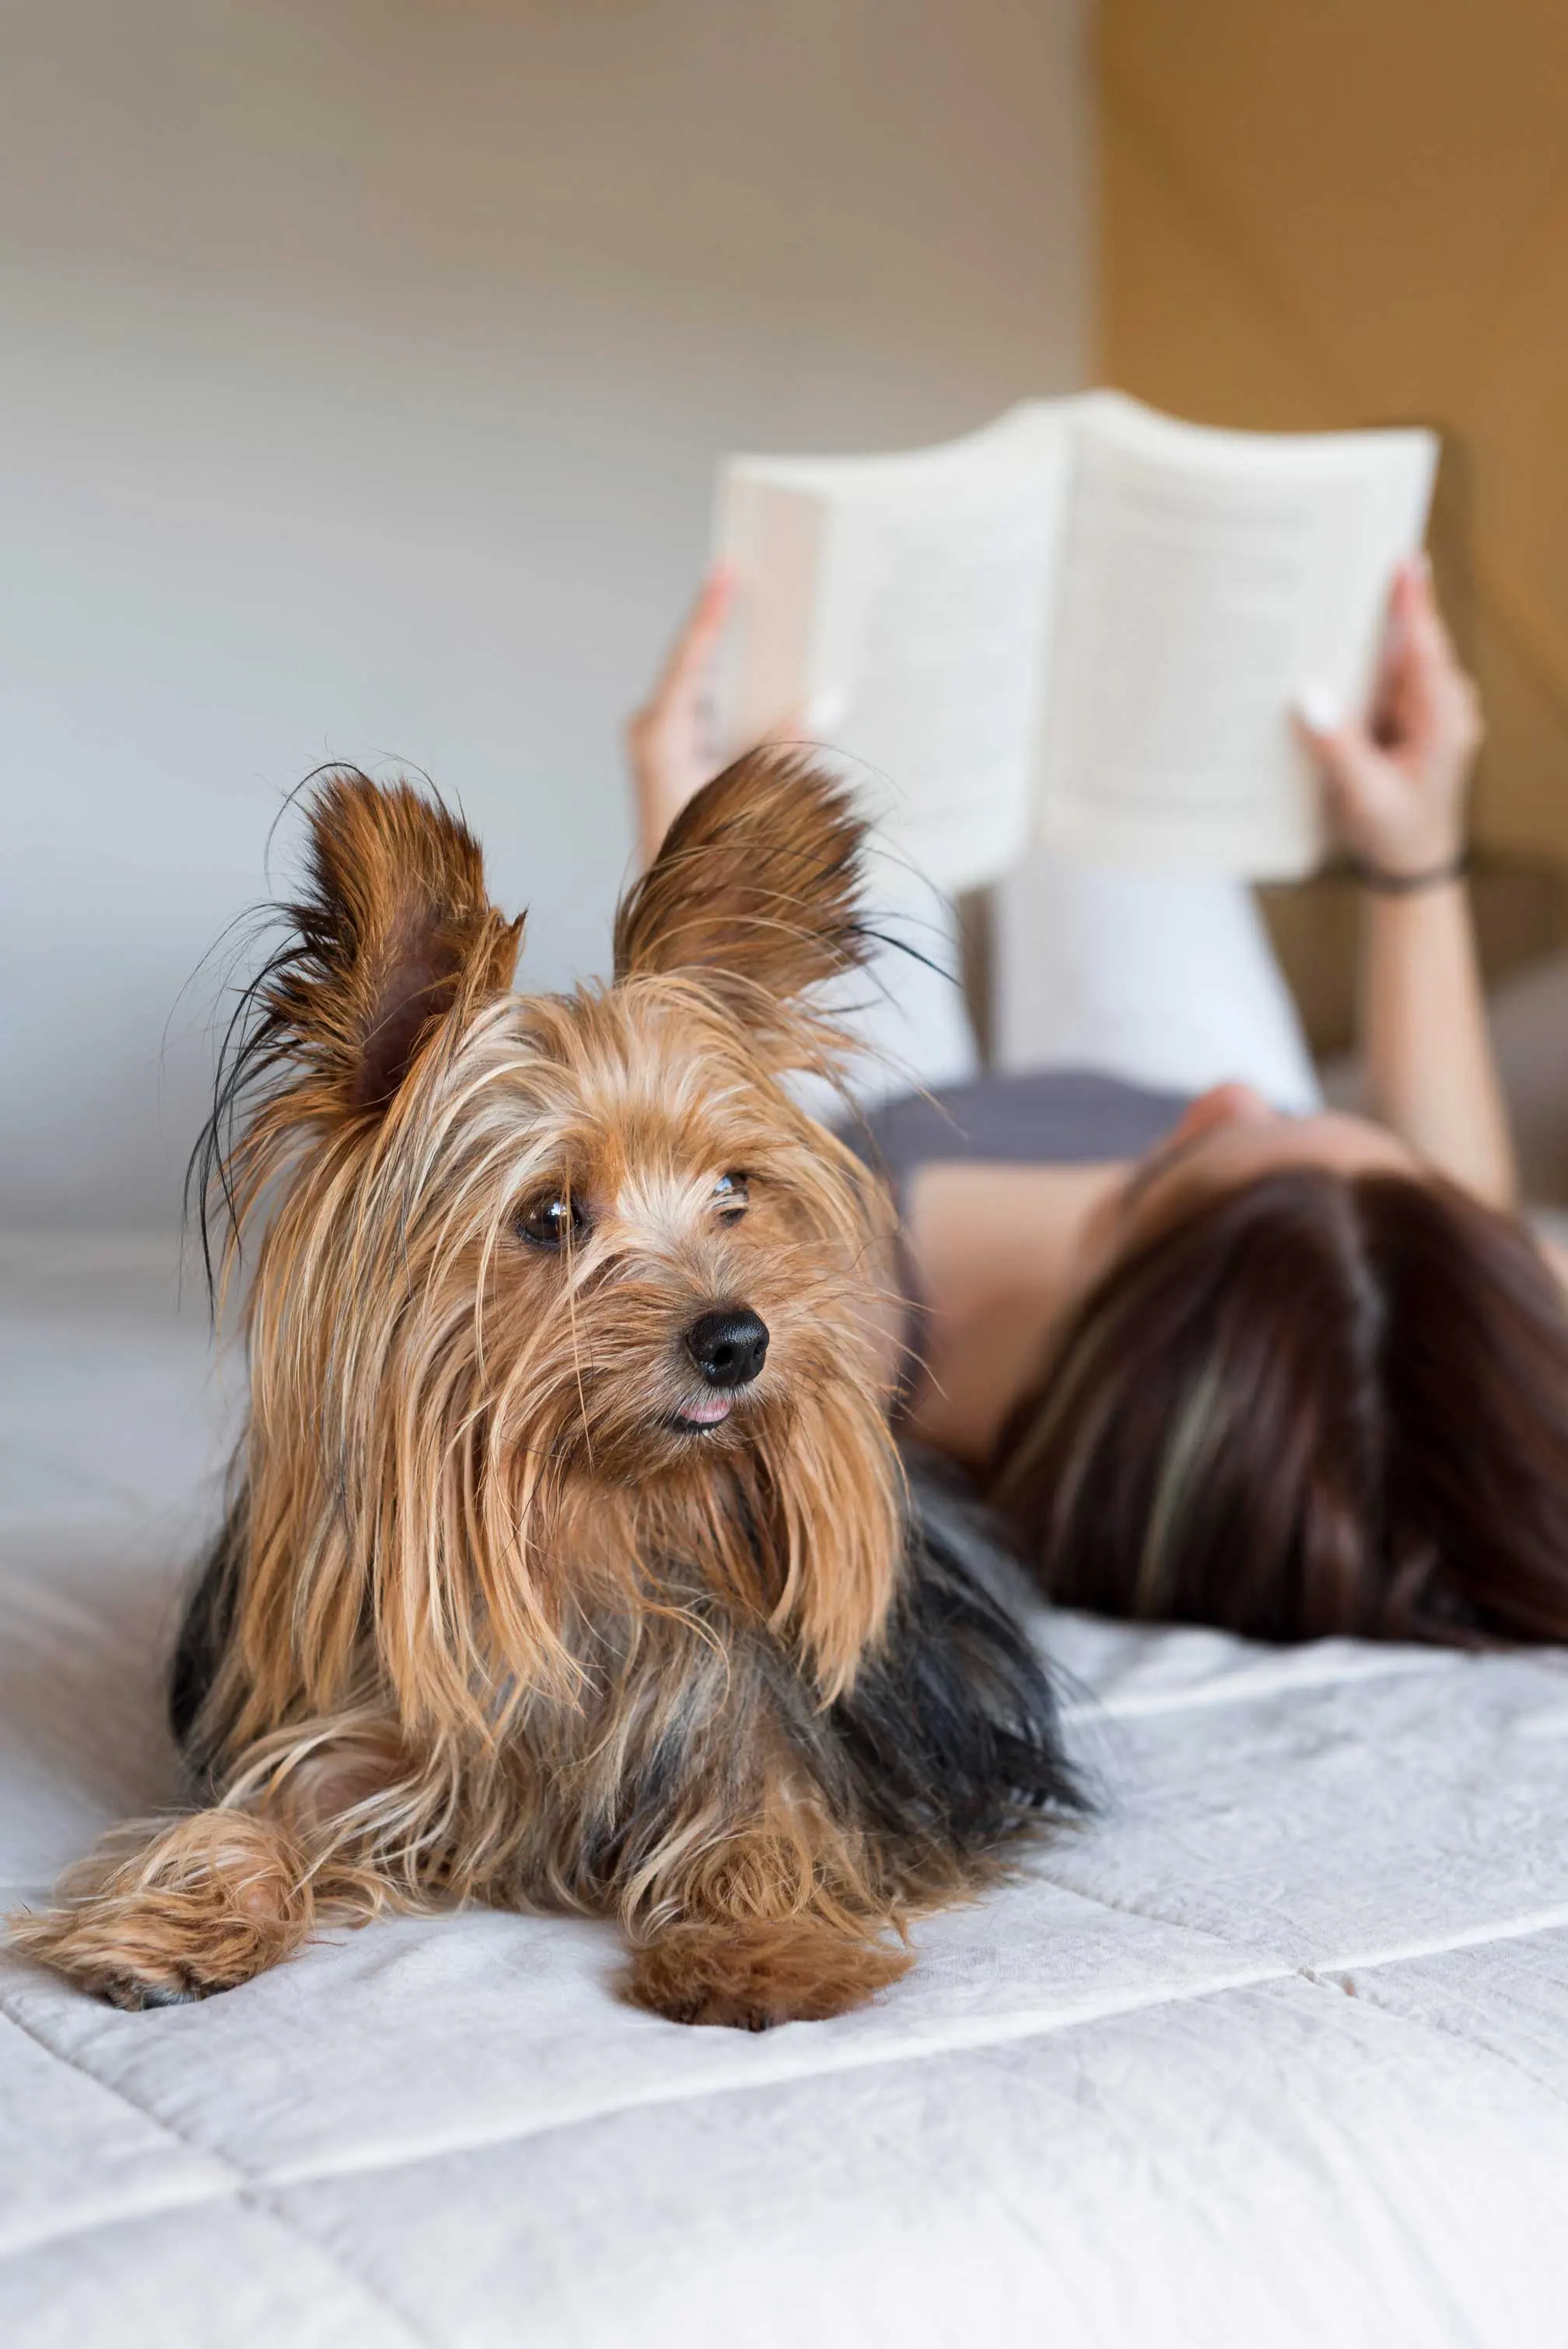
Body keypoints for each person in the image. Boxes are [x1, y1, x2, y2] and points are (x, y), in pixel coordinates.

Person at [625, 557, 1568, 1647]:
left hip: (873, 1122)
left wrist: (688, 874)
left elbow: (690, 1159)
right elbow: (1463, 1227)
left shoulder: (846, 1332)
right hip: (1139, 1078)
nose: (1230, 1097)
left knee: (839, 788)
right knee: (1134, 781)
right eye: (1365, 1161)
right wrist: (1413, 854)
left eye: (1170, 1173)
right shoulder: (1389, 1329)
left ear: (1129, 1311)